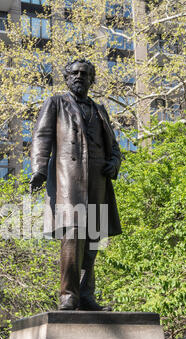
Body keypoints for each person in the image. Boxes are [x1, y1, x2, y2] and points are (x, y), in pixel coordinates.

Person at [30, 59, 122, 311]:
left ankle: (86, 295)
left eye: (85, 73)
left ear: (92, 79)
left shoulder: (100, 110)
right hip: (68, 181)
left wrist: (114, 163)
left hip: (98, 182)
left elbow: (114, 147)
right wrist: (38, 169)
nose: (80, 76)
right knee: (72, 234)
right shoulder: (56, 103)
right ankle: (68, 296)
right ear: (66, 77)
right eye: (75, 73)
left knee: (93, 239)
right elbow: (42, 136)